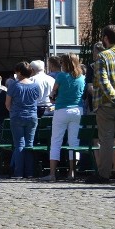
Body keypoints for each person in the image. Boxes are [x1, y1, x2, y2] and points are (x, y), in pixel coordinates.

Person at [42, 54, 85, 182]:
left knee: (56, 142)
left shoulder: (61, 76)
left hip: (61, 110)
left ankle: (52, 174)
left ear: (64, 63)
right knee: (74, 142)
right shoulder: (82, 77)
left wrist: (52, 97)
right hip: (77, 110)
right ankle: (72, 172)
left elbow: (53, 93)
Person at [87, 24, 115, 183]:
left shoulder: (103, 57)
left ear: (106, 38)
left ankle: (104, 174)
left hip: (106, 105)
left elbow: (104, 82)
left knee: (106, 141)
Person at [5, 61, 40, 178]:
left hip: (17, 116)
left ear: (19, 72)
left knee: (19, 144)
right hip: (32, 116)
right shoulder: (35, 85)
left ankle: (18, 172)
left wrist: (13, 111)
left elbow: (7, 104)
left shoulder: (14, 85)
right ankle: (29, 172)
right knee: (29, 144)